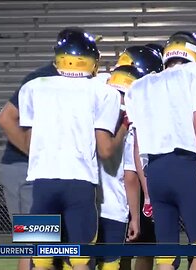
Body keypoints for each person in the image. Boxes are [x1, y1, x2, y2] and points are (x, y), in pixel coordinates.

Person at [18, 28, 125, 270]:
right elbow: (106, 151)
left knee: (39, 259)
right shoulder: (104, 92)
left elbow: (29, 140)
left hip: (42, 181)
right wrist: (123, 130)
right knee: (79, 260)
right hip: (79, 183)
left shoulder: (33, 87)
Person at [125, 31, 196, 270]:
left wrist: (147, 193)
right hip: (185, 166)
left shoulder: (139, 85)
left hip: (155, 172)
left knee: (166, 253)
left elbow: (138, 145)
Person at [113, 45, 164, 270]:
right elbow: (130, 171)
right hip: (113, 200)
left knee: (40, 250)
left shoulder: (36, 86)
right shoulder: (135, 112)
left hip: (32, 176)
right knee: (137, 249)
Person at [97, 65, 152, 270]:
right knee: (111, 263)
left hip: (80, 203)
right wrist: (135, 218)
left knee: (43, 256)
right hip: (112, 208)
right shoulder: (129, 124)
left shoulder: (89, 111)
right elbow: (130, 176)